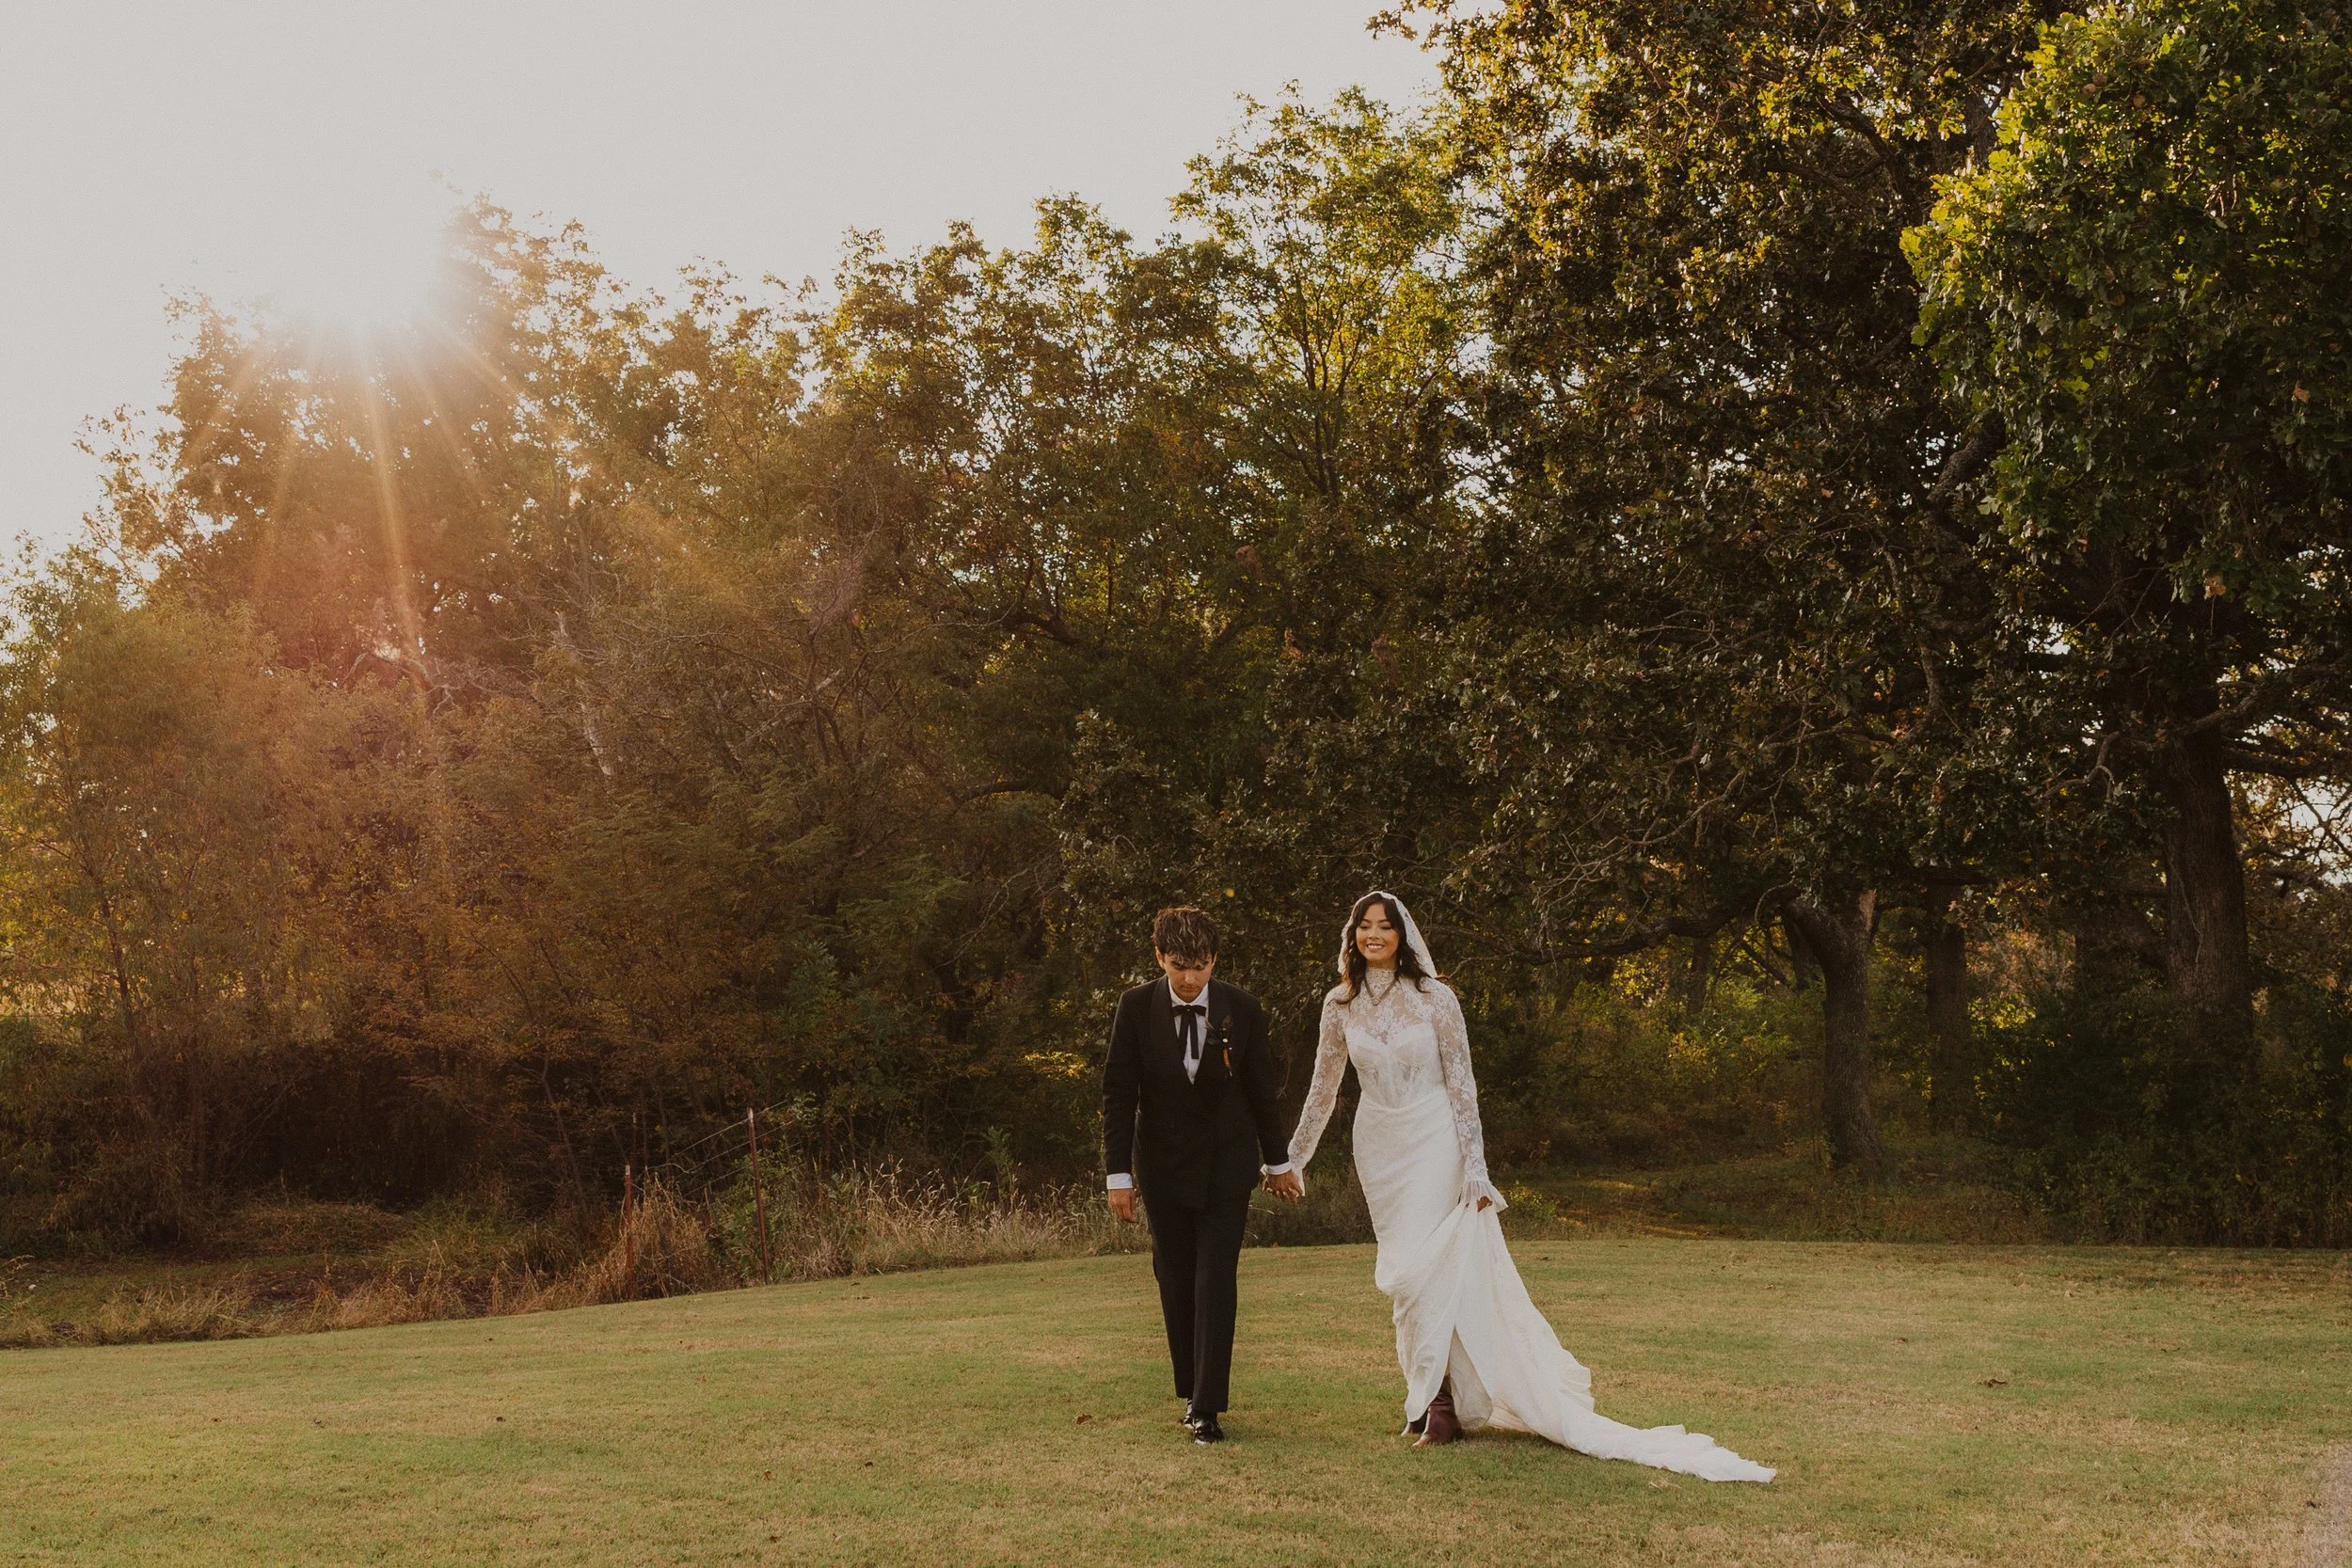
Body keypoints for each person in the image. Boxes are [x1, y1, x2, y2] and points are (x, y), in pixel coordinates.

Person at [1279, 890, 1775, 1481]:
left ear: (1403, 936)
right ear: (1352, 935)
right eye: (1365, 927)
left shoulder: (1436, 1000)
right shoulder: (1340, 1005)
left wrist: (1475, 1166)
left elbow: (1463, 1086)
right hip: (1380, 1146)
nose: (1375, 936)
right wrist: (1294, 1159)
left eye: (1385, 927)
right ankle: (1432, 1394)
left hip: (1435, 1138)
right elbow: (1323, 1089)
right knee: (1404, 1272)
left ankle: (1438, 1406)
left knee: (1422, 1272)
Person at [1102, 905, 1299, 1445]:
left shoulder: (1244, 1009)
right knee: (1175, 1278)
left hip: (1226, 1168)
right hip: (1162, 1169)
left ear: (1215, 960)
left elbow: (1262, 1091)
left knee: (1217, 1279)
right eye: (1180, 966)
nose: (1191, 979)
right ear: (1160, 957)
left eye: (1202, 966)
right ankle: (1190, 1388)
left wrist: (1278, 1164)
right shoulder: (1134, 1007)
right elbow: (1119, 1094)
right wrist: (1118, 1176)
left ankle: (1207, 1407)